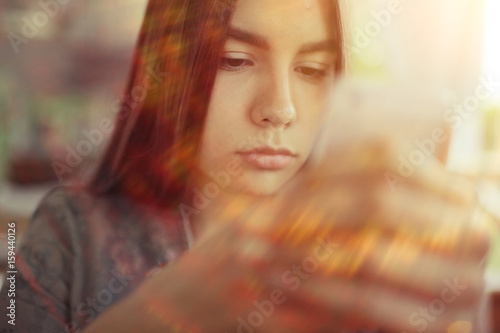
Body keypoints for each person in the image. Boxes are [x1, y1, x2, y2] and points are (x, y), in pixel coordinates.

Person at [0, 0, 490, 332]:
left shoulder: (349, 253)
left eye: (313, 70)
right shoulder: (67, 231)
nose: (282, 108)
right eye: (234, 61)